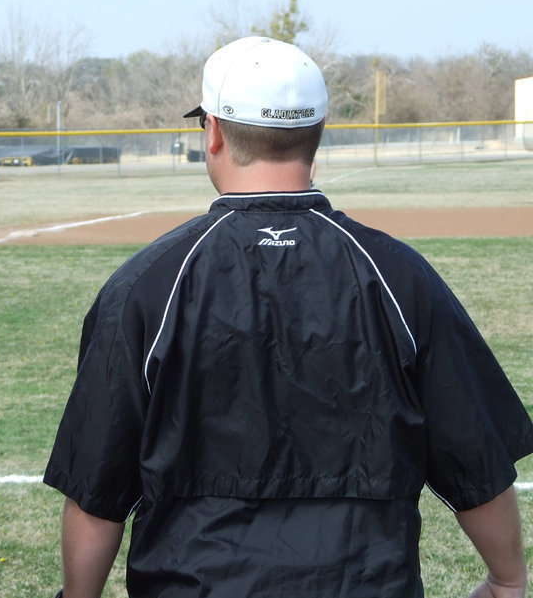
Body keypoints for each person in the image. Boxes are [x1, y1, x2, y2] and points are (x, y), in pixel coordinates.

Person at [43, 36, 533, 598]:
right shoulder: (398, 274)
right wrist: (506, 578)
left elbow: (96, 487)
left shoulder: (147, 283)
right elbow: (476, 456)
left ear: (215, 134)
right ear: (317, 134)